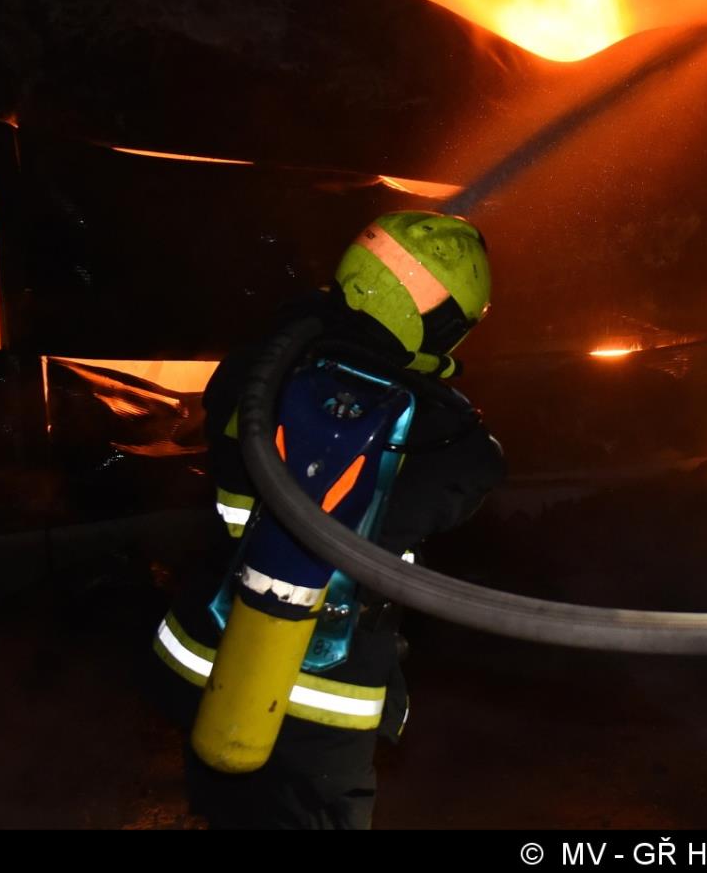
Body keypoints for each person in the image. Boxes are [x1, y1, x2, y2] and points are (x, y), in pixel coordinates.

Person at [150, 211, 504, 829]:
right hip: (316, 696)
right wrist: (431, 381)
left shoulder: (258, 368)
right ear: (441, 322)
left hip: (203, 654)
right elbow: (472, 472)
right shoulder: (433, 430)